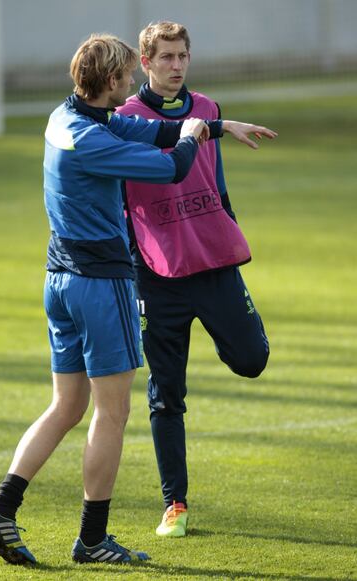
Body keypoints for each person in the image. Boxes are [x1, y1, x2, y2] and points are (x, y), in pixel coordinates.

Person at [0, 33, 213, 566]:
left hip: (59, 279)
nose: (132, 85)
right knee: (113, 412)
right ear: (111, 82)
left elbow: (139, 127)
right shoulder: (96, 143)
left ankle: (1, 509)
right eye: (127, 77)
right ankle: (92, 539)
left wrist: (214, 125)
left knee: (67, 405)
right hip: (100, 286)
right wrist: (195, 138)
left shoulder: (66, 117)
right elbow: (174, 165)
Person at [117, 21, 278, 538]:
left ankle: (219, 324)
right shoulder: (125, 119)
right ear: (146, 63)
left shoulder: (208, 109)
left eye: (182, 55)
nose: (176, 65)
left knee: (252, 360)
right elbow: (122, 200)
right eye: (165, 57)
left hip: (213, 264)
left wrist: (227, 230)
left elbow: (217, 180)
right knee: (166, 394)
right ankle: (176, 505)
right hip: (158, 276)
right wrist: (132, 271)